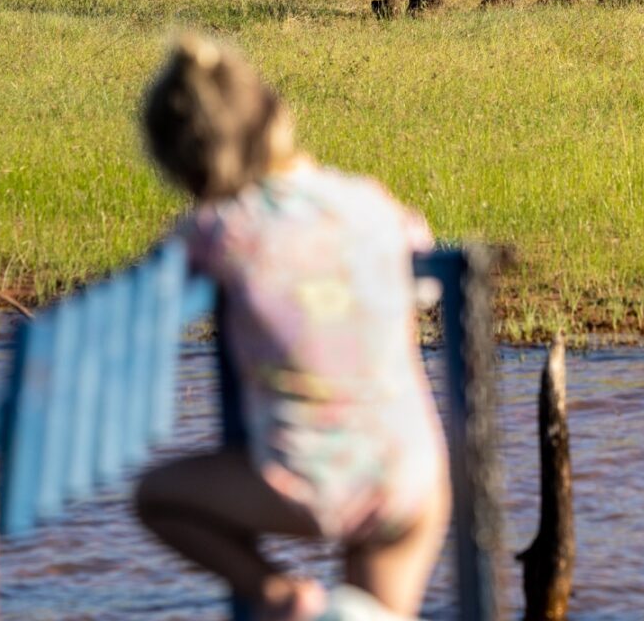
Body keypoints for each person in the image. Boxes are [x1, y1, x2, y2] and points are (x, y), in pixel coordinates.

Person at [135, 34, 451, 621]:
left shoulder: (219, 230)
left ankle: (279, 593)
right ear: (275, 115)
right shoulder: (368, 200)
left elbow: (154, 294)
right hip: (412, 474)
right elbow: (426, 280)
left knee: (155, 497)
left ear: (183, 168)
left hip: (315, 483)